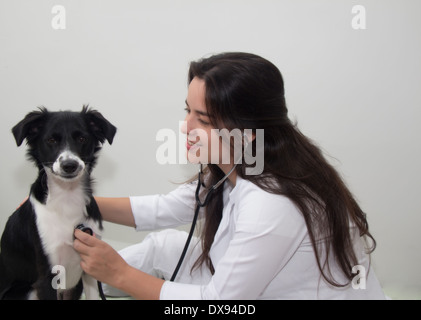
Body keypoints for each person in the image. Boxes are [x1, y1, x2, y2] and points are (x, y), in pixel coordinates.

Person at [73, 52, 386, 299]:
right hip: (259, 285)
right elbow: (164, 208)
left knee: (151, 261)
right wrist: (75, 204)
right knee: (163, 246)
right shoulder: (238, 166)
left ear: (247, 131)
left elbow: (221, 303)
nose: (186, 127)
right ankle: (71, 283)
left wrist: (119, 273)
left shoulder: (272, 202)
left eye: (204, 120)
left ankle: (89, 282)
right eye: (187, 111)